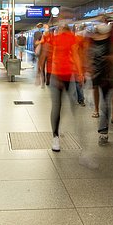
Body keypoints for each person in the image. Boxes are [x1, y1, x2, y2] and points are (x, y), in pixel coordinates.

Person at [39, 24, 84, 152]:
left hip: (62, 76)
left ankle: (56, 137)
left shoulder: (66, 38)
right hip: (59, 76)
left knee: (57, 107)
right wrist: (80, 73)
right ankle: (57, 136)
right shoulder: (55, 39)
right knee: (64, 106)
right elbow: (75, 55)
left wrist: (40, 71)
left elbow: (74, 55)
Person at [89, 18, 113, 146]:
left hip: (110, 75)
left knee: (106, 103)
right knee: (105, 102)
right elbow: (89, 56)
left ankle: (104, 130)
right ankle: (103, 129)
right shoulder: (93, 42)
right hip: (99, 74)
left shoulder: (112, 43)